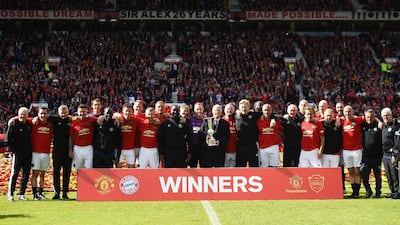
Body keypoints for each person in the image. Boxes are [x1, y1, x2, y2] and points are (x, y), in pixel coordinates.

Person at [6, 107, 32, 202]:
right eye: (21, 114)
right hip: (18, 153)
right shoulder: (14, 124)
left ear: (27, 115)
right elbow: (8, 139)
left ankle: (21, 194)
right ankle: (11, 194)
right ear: (18, 114)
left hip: (28, 153)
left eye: (25, 114)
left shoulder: (29, 125)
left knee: (26, 174)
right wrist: (13, 150)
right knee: (15, 173)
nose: (23, 116)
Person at [47, 105, 72, 200]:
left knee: (67, 172)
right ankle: (56, 193)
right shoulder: (54, 119)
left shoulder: (71, 120)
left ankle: (65, 193)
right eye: (62, 112)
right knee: (56, 172)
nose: (63, 114)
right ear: (58, 112)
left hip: (68, 150)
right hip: (57, 150)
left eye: (65, 112)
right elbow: (41, 116)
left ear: (68, 112)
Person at [28, 107, 53, 200]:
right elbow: (21, 117)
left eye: (45, 113)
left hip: (46, 153)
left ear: (48, 114)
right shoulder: (34, 122)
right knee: (34, 173)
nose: (43, 115)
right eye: (41, 113)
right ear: (38, 114)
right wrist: (11, 119)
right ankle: (35, 194)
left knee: (42, 174)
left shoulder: (51, 123)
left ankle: (40, 193)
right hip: (36, 153)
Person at [340, 105, 364, 198]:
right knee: (350, 171)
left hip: (357, 150)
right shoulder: (342, 121)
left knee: (357, 171)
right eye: (345, 111)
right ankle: (353, 191)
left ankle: (357, 192)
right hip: (346, 150)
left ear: (352, 112)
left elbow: (370, 117)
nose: (347, 113)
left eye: (349, 111)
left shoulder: (357, 120)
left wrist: (378, 122)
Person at [361, 109, 383, 198]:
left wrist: (379, 121)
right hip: (366, 156)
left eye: (371, 117)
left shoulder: (379, 125)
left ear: (375, 117)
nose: (369, 119)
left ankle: (378, 191)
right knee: (363, 172)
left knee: (377, 175)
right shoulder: (362, 125)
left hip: (377, 156)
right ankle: (368, 190)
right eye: (367, 117)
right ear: (365, 117)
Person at [69, 104, 98, 169]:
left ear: (87, 112)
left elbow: (101, 119)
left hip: (88, 148)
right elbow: (71, 137)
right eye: (80, 112)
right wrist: (70, 150)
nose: (82, 113)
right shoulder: (73, 122)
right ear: (77, 112)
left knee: (88, 169)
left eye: (84, 112)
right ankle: (78, 179)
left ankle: (87, 180)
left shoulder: (92, 119)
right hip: (77, 148)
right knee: (77, 169)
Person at [235, 99, 261, 167]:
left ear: (249, 107)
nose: (244, 109)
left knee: (254, 167)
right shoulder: (235, 116)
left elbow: (267, 113)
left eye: (245, 107)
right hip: (240, 146)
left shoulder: (254, 115)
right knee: (240, 167)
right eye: (242, 107)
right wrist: (236, 112)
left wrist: (273, 119)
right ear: (239, 108)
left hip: (252, 146)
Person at [381, 107, 400, 198]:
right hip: (385, 155)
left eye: (387, 115)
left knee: (394, 174)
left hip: (392, 154)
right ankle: (392, 191)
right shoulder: (383, 126)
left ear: (391, 115)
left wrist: (395, 154)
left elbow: (397, 141)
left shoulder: (396, 125)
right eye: (384, 115)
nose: (385, 117)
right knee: (388, 174)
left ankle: (397, 192)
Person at [117, 103, 140, 168]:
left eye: (129, 111)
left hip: (130, 149)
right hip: (120, 149)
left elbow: (144, 121)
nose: (127, 112)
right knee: (118, 168)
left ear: (132, 112)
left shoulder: (135, 120)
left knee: (131, 169)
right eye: (126, 111)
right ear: (122, 111)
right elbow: (113, 114)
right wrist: (117, 115)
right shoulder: (118, 119)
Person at [188, 102, 205, 168]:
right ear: (194, 110)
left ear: (203, 109)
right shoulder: (190, 120)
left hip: (203, 147)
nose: (199, 111)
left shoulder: (206, 120)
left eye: (200, 109)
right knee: (193, 166)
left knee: (204, 166)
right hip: (193, 146)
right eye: (197, 109)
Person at [223, 103, 237, 167]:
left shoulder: (237, 120)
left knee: (234, 171)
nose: (229, 110)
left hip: (235, 150)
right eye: (228, 109)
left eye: (231, 109)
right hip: (224, 151)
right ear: (224, 110)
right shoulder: (221, 121)